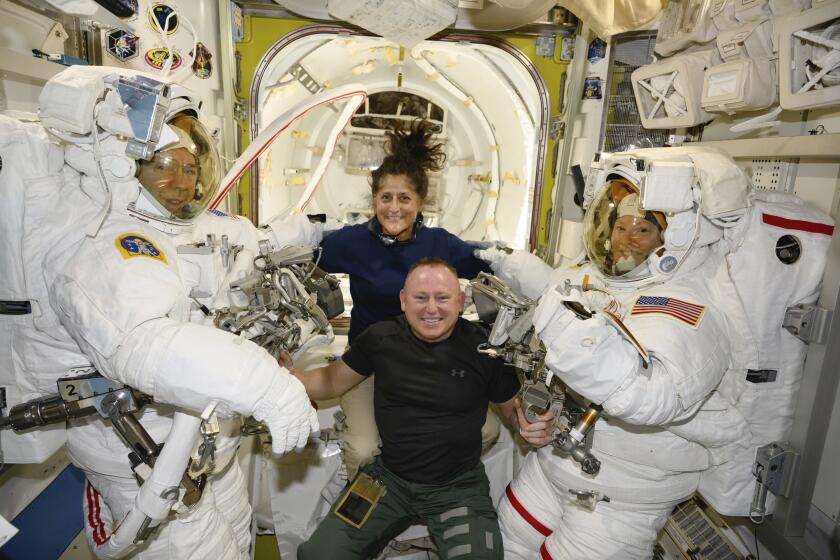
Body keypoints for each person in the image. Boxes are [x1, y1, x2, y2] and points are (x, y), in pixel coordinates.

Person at [1, 66, 343, 558]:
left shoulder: (179, 228)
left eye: (189, 167)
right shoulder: (104, 244)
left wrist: (311, 232)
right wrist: (268, 388)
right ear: (124, 165)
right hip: (147, 461)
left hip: (202, 452)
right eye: (163, 164)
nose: (181, 182)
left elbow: (252, 241)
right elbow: (146, 343)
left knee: (237, 540)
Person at [475, 149, 753, 559]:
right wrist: (509, 262)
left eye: (642, 230)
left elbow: (652, 397)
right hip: (557, 461)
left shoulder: (684, 308)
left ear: (670, 240)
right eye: (621, 226)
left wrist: (574, 341)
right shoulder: (593, 277)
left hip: (622, 490)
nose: (625, 238)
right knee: (506, 543)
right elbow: (555, 289)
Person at [288, 258, 553, 560]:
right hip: (387, 482)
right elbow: (329, 381)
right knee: (318, 555)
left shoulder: (484, 350)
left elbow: (512, 410)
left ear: (460, 300)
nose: (431, 309)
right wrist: (285, 376)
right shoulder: (381, 338)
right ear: (403, 300)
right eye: (420, 298)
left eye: (442, 298)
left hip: (458, 488)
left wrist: (531, 426)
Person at [316, 120, 498, 480]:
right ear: (374, 201)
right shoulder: (351, 243)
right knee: (364, 450)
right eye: (386, 197)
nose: (394, 207)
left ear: (420, 203)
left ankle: (433, 494)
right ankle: (369, 517)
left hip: (432, 363)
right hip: (368, 365)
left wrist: (526, 270)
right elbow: (306, 254)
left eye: (404, 198)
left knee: (486, 431)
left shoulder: (440, 245)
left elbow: (488, 264)